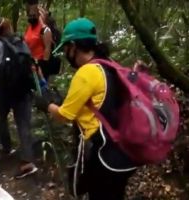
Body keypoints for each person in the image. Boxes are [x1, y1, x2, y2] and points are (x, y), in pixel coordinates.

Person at [34, 18, 137, 200]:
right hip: (125, 150)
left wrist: (46, 105)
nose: (65, 53)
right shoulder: (109, 64)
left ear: (74, 46)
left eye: (66, 49)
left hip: (103, 156)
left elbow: (65, 116)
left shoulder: (86, 73)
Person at [0, 17, 38, 179]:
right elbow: (31, 64)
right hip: (24, 88)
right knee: (23, 123)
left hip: (5, 89)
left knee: (2, 118)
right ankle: (27, 160)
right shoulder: (21, 41)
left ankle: (6, 147)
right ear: (9, 28)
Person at [24, 0, 54, 81]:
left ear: (38, 15)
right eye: (30, 15)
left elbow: (47, 48)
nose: (31, 17)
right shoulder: (28, 28)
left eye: (33, 15)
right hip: (30, 64)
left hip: (40, 65)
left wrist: (43, 67)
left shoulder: (44, 29)